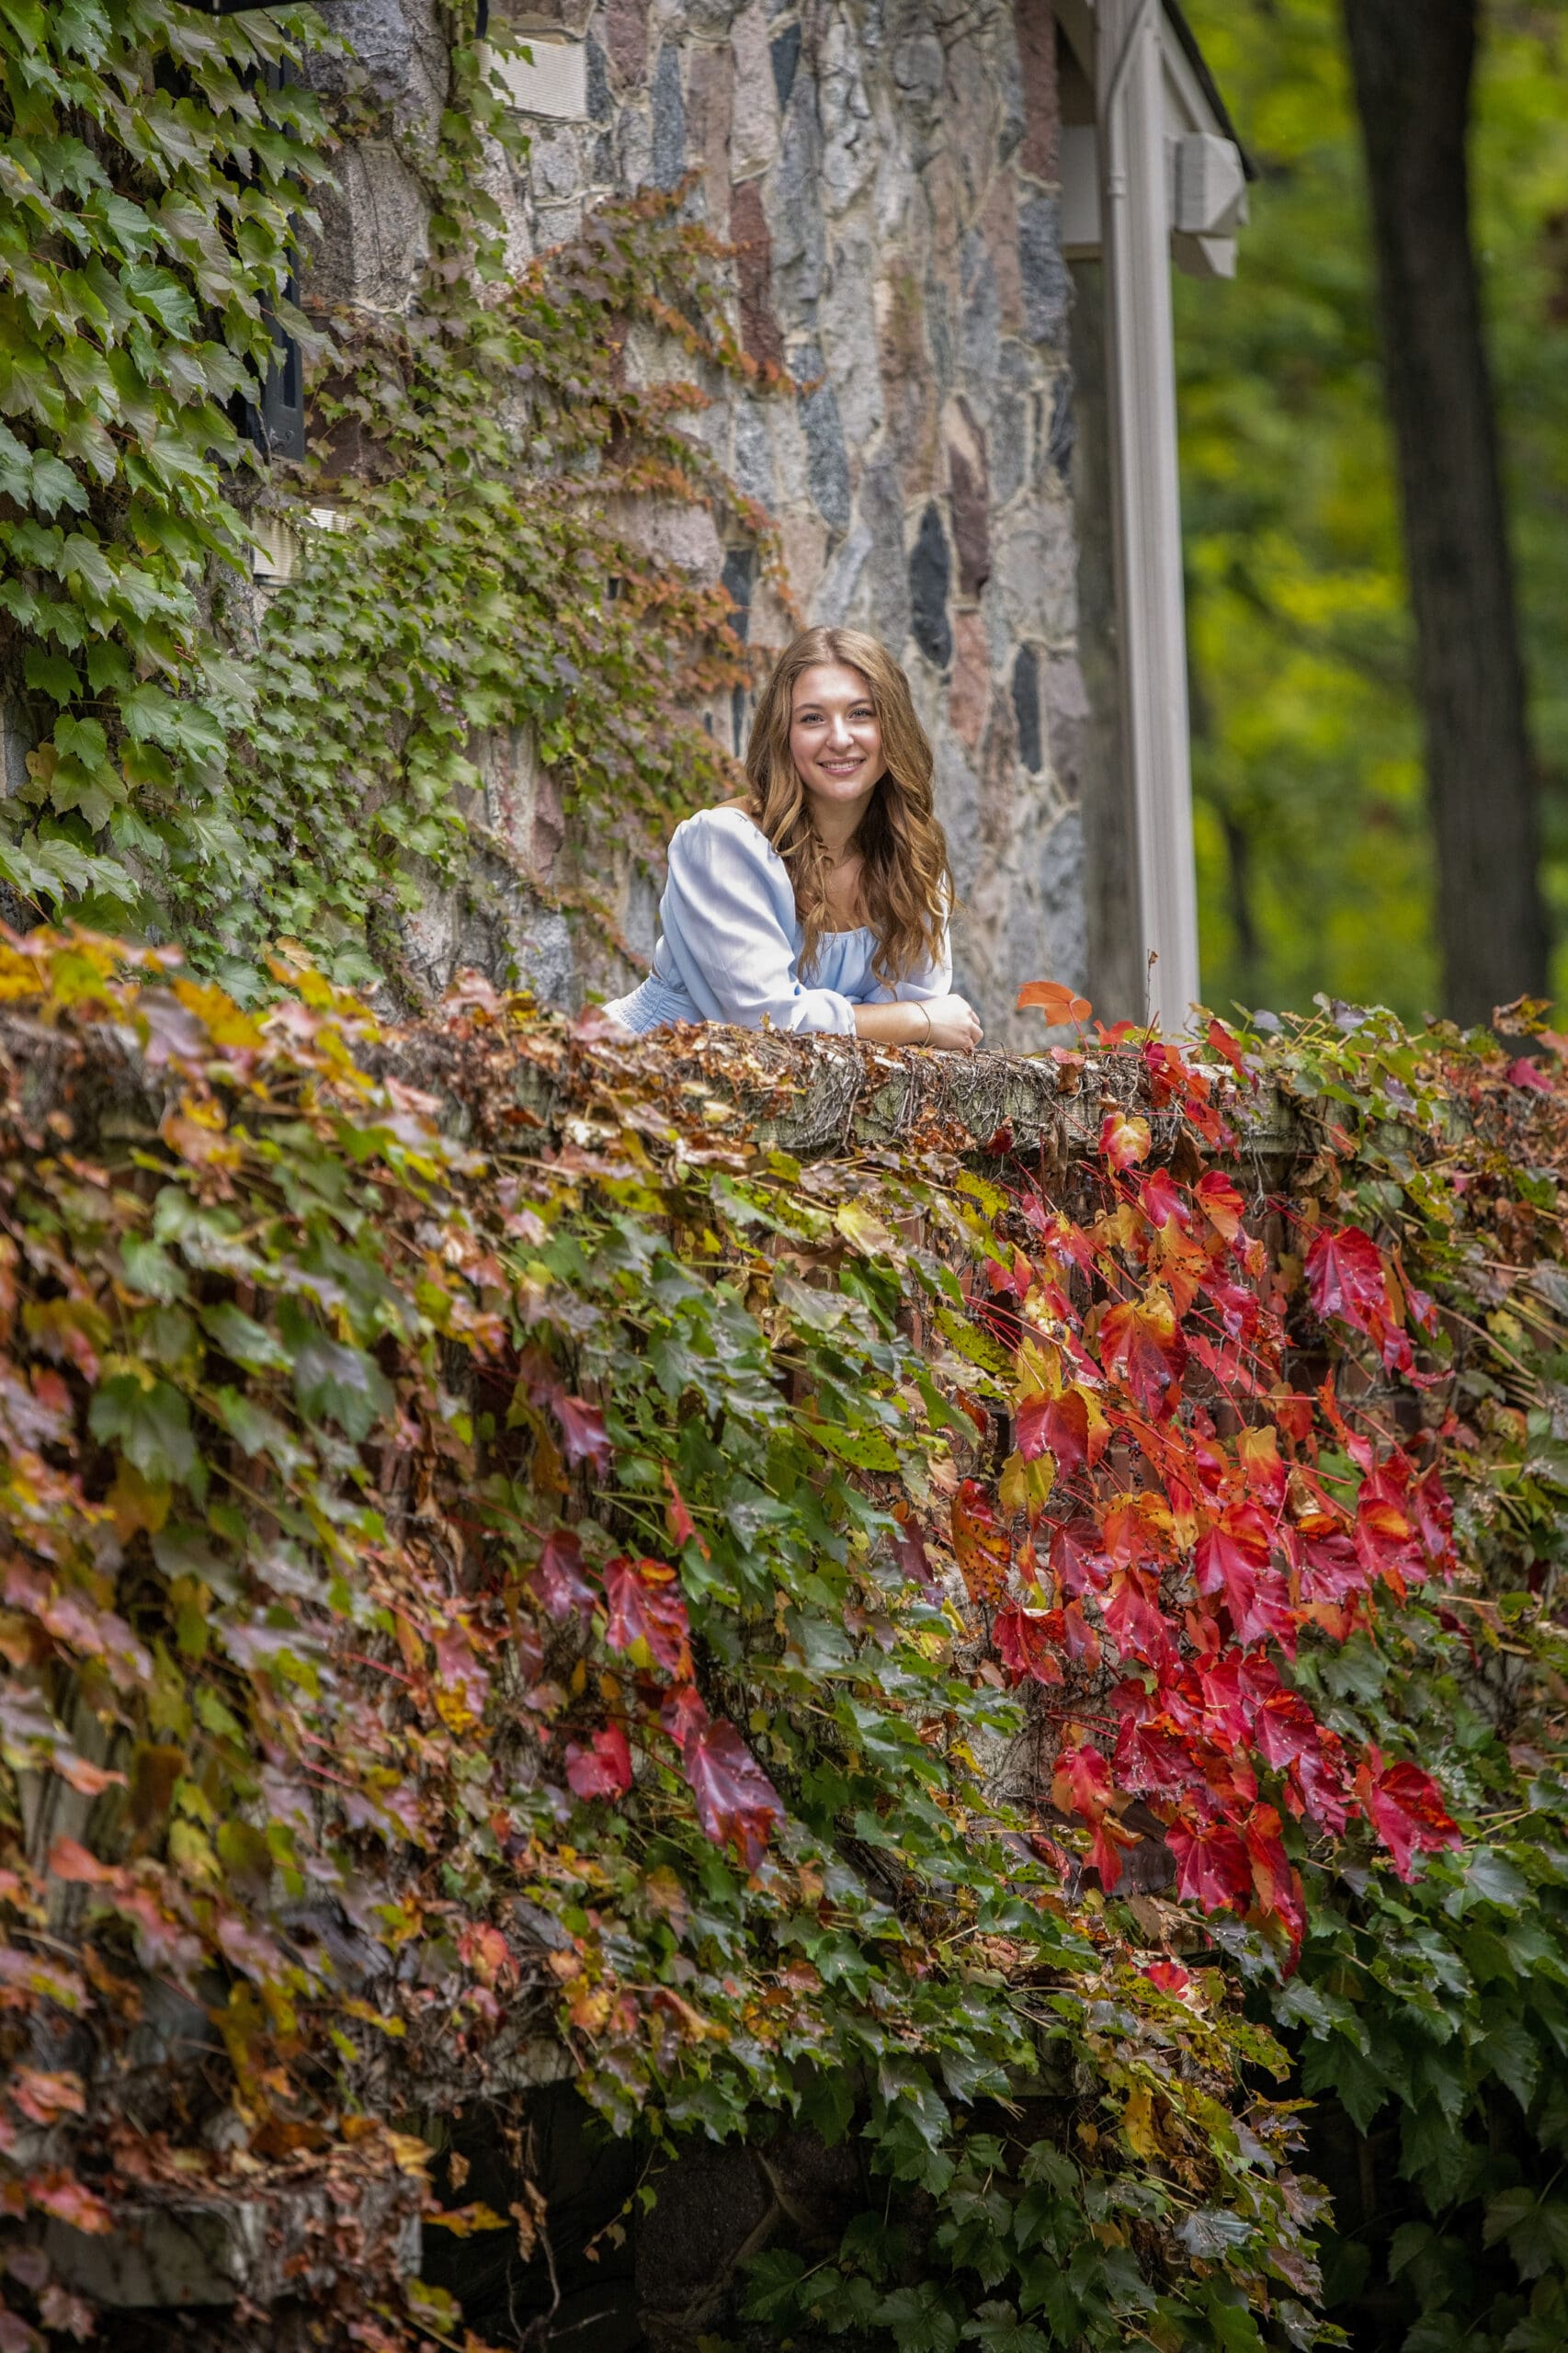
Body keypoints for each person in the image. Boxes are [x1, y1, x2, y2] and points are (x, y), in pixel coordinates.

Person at [603, 627, 984, 1051]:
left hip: (798, 1105)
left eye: (861, 713)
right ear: (783, 735)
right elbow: (768, 1024)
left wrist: (913, 1020)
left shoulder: (910, 858)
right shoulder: (725, 845)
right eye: (812, 718)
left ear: (893, 729)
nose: (839, 739)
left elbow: (912, 1037)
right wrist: (915, 1019)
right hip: (644, 1075)